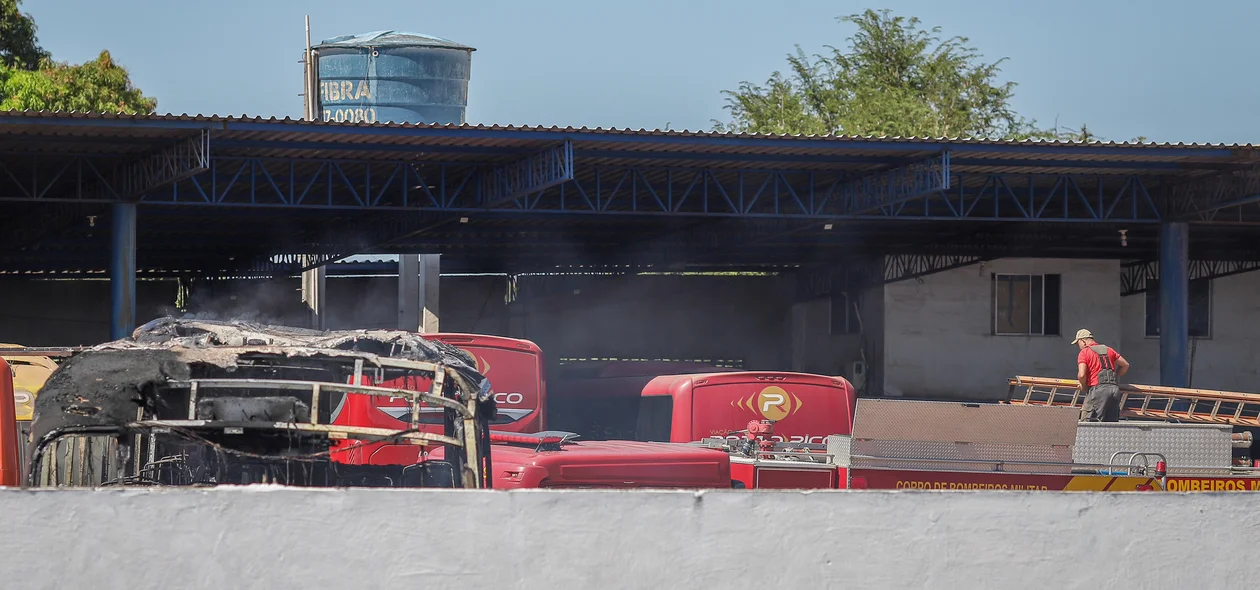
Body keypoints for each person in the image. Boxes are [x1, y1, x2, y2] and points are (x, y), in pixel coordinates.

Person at [1071, 329, 1130, 422]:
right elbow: (1125, 365)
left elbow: (1081, 375)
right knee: (1110, 425)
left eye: (1078, 344)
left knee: (1088, 424)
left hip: (1097, 391)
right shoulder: (1109, 350)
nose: (1079, 347)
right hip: (1114, 390)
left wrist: (1083, 385)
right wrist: (1114, 376)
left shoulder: (1084, 352)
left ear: (1083, 341)